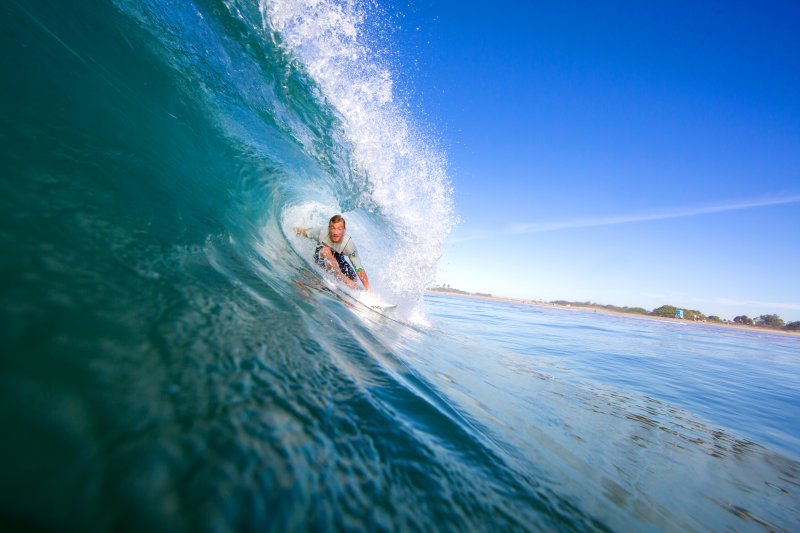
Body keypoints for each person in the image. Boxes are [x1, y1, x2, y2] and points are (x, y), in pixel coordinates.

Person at [295, 215, 371, 291]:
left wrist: (368, 289)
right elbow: (303, 231)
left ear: (344, 230)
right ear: (329, 228)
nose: (335, 232)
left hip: (338, 260)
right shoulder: (321, 232)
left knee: (353, 278)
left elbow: (359, 269)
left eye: (339, 229)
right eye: (333, 228)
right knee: (325, 250)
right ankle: (338, 279)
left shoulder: (348, 244)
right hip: (323, 260)